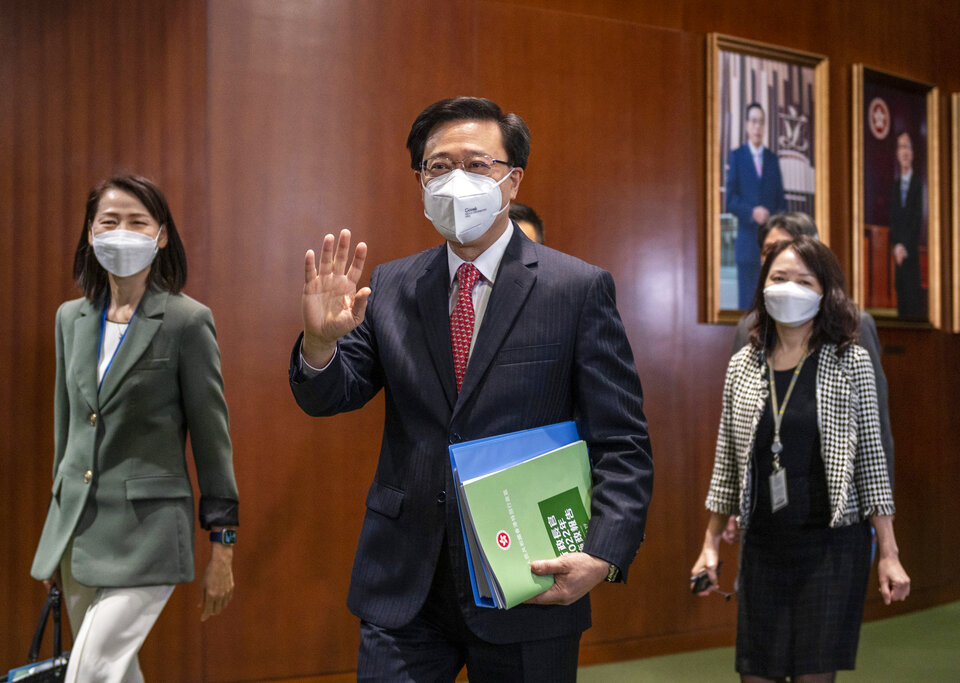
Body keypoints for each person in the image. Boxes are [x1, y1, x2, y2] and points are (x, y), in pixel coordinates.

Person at [289, 97, 653, 682]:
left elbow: (622, 441)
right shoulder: (391, 284)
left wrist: (604, 553)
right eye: (438, 166)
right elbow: (329, 394)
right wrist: (318, 343)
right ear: (419, 183)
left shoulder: (576, 289)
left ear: (513, 181)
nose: (457, 179)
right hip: (406, 581)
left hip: (527, 577)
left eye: (477, 164)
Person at [30, 175, 240, 681]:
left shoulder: (187, 321)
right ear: (90, 232)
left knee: (92, 673)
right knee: (115, 676)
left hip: (150, 537)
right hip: (79, 535)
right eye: (109, 221)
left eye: (137, 221)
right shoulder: (70, 319)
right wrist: (55, 538)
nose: (121, 232)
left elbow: (213, 443)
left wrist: (223, 546)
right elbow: (69, 438)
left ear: (161, 234)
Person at [693, 235, 910, 682]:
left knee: (813, 674)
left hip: (830, 546)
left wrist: (889, 553)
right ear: (763, 286)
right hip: (764, 548)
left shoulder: (851, 360)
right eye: (779, 277)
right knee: (757, 673)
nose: (789, 288)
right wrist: (709, 545)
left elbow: (872, 462)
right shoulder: (744, 365)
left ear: (825, 291)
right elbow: (726, 468)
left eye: (803, 280)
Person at [732, 212, 894, 486]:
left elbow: (874, 429)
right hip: (763, 502)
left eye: (792, 248)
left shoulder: (854, 324)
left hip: (835, 499)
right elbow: (736, 430)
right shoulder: (748, 328)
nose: (783, 257)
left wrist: (879, 514)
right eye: (770, 251)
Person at [726, 102, 787, 309]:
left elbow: (781, 203)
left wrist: (773, 219)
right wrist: (752, 212)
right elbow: (730, 201)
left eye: (761, 122)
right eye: (753, 121)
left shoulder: (772, 159)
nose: (757, 127)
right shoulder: (737, 156)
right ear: (746, 125)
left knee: (770, 308)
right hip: (746, 245)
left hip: (771, 249)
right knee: (746, 308)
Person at [888, 132, 925, 318]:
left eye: (907, 147)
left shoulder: (919, 185)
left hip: (910, 257)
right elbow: (892, 221)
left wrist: (904, 247)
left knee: (913, 308)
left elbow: (917, 221)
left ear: (912, 152)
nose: (904, 151)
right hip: (898, 257)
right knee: (901, 307)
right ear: (897, 153)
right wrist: (896, 246)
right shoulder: (894, 186)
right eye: (900, 147)